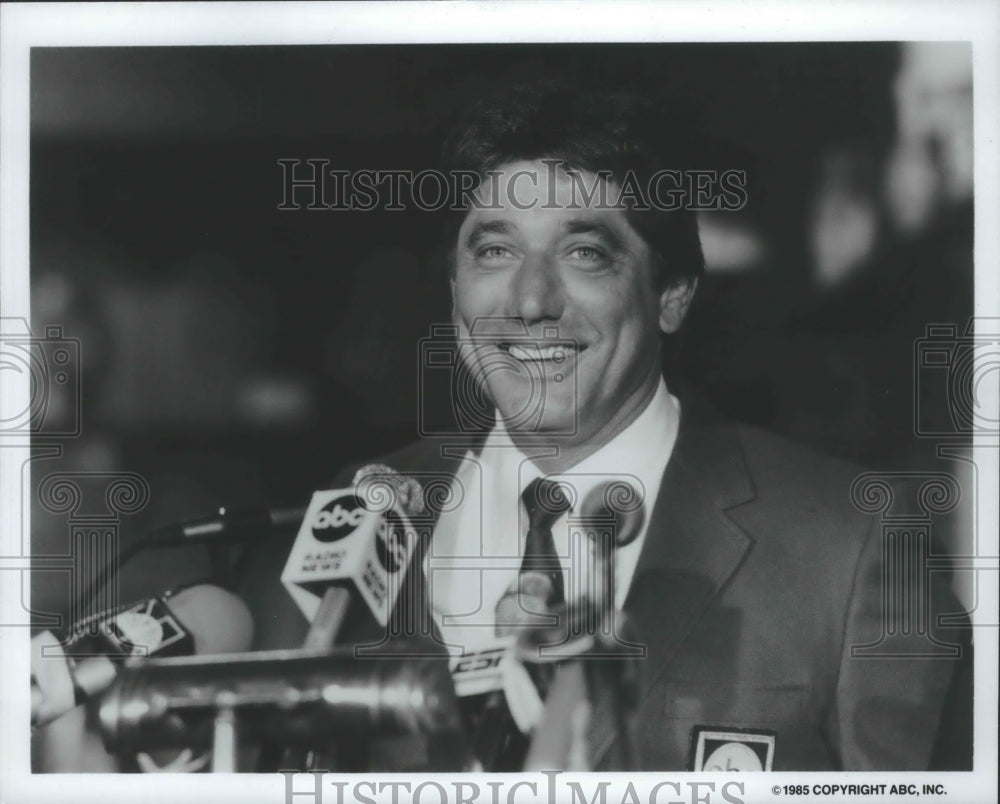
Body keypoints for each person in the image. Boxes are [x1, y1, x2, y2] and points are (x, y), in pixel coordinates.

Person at [246, 80, 972, 772]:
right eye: (495, 251)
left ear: (673, 295)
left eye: (585, 252)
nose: (530, 301)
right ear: (454, 291)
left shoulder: (851, 542)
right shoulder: (360, 512)